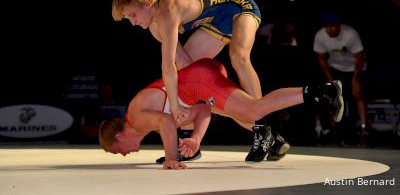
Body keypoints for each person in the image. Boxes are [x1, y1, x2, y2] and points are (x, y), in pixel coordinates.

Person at [111, 0, 288, 163]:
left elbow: (167, 68)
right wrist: (190, 101)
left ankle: (261, 129)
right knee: (194, 82)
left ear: (147, 3)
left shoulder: (168, 10)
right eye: (128, 19)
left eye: (132, 15)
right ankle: (190, 145)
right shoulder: (155, 27)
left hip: (241, 7)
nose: (133, 23)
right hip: (218, 20)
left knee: (238, 56)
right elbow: (181, 65)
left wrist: (175, 106)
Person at [99, 58, 344, 169]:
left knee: (254, 108)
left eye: (115, 150)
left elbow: (166, 123)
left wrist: (171, 157)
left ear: (119, 137)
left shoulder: (135, 117)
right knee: (240, 114)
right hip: (201, 81)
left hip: (198, 80)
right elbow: (204, 109)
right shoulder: (146, 119)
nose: (122, 154)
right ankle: (275, 141)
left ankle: (324, 92)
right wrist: (195, 139)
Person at [313, 11, 371, 145]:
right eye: (327, 26)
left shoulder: (350, 34)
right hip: (335, 68)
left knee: (357, 94)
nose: (330, 29)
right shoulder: (320, 35)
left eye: (333, 26)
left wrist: (355, 79)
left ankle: (363, 128)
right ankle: (335, 129)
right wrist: (329, 78)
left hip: (356, 68)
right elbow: (321, 58)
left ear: (339, 25)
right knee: (332, 95)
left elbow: (359, 57)